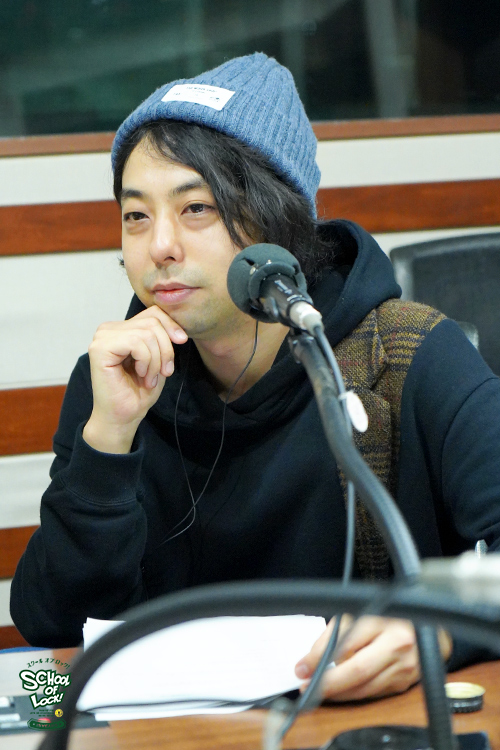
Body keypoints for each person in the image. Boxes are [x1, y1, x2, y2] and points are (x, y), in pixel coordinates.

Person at [10, 53, 500, 701]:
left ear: (280, 225)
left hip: (361, 723)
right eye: (136, 216)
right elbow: (51, 624)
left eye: (197, 208)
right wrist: (107, 440)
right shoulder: (115, 379)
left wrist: (443, 631)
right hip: (179, 734)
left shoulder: (409, 356)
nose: (160, 246)